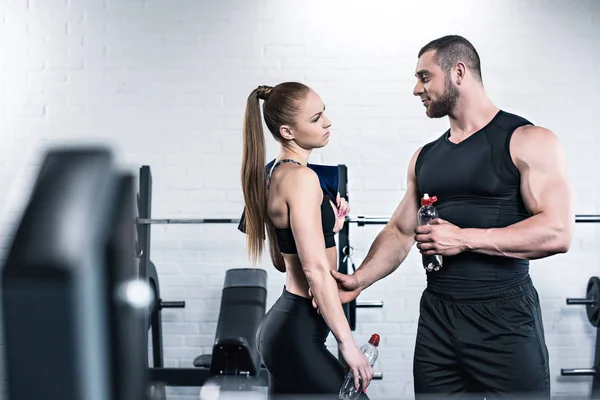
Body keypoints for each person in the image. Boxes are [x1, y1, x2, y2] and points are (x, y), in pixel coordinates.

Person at [312, 35, 574, 399]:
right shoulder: (425, 157)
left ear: (459, 72)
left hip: (504, 316)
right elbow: (401, 231)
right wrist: (359, 281)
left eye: (424, 77)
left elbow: (558, 232)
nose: (416, 89)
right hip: (438, 318)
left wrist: (464, 237)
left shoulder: (527, 140)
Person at [239, 82, 374, 398]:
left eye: (323, 112)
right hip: (297, 333)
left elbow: (280, 259)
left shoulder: (274, 174)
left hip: (284, 328)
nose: (327, 122)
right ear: (287, 131)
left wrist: (330, 229)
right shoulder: (302, 179)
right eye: (315, 118)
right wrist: (347, 344)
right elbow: (313, 271)